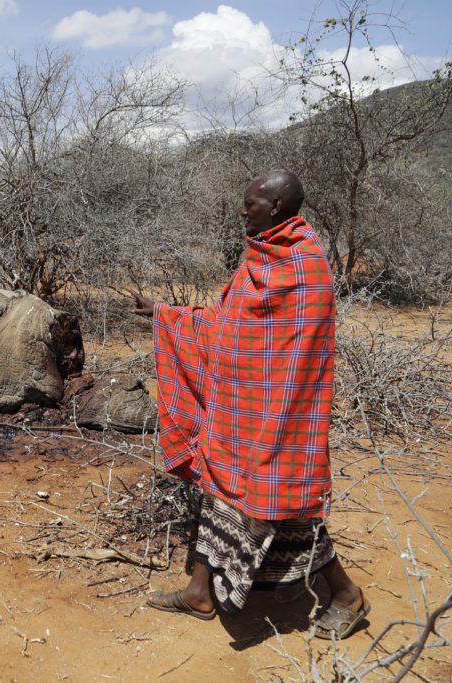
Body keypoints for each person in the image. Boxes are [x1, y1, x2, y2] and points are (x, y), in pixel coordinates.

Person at [129, 169, 369, 639]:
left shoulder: (304, 265)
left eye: (250, 203)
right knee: (217, 489)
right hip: (237, 410)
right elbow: (227, 327)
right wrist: (165, 314)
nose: (242, 210)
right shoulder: (260, 259)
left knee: (286, 509)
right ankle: (201, 591)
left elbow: (296, 351)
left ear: (276, 207)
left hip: (281, 416)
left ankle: (346, 594)